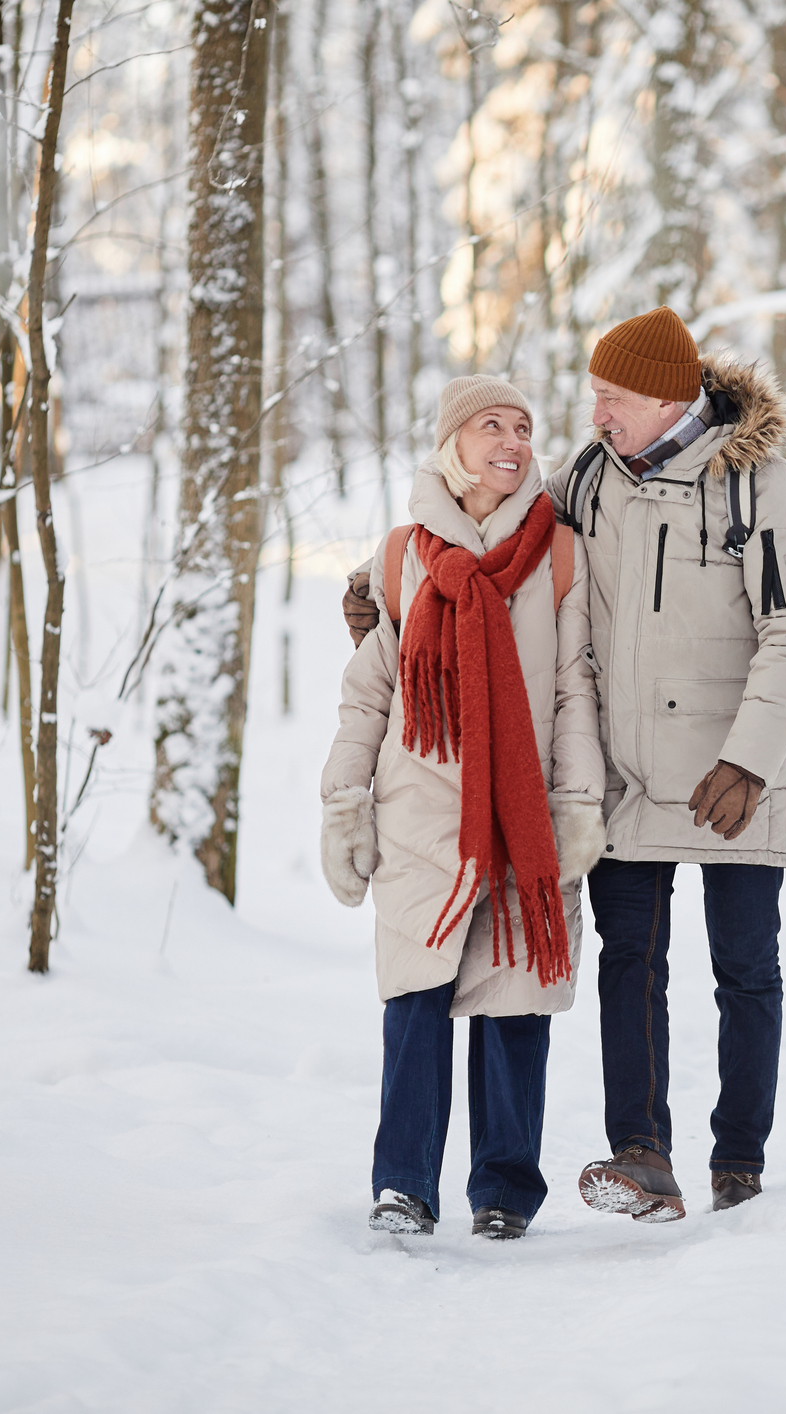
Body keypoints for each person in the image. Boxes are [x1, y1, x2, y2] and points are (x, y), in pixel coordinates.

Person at [343, 310, 786, 1219]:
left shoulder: (758, 483)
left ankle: (739, 1165)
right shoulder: (591, 480)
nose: (594, 413)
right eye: (593, 397)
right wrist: (384, 595)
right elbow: (498, 537)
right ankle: (642, 1155)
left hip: (732, 772)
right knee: (631, 961)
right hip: (624, 773)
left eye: (610, 397)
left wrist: (751, 759)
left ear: (664, 397)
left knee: (744, 970)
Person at [320, 375, 606, 1240]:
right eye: (491, 425)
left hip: (522, 811)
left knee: (514, 1000)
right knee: (415, 997)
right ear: (453, 443)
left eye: (523, 426)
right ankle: (403, 1183)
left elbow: (571, 689)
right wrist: (344, 802)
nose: (512, 440)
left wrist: (578, 800)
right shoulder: (404, 552)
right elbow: (369, 690)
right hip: (422, 808)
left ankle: (504, 1192)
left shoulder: (557, 550)